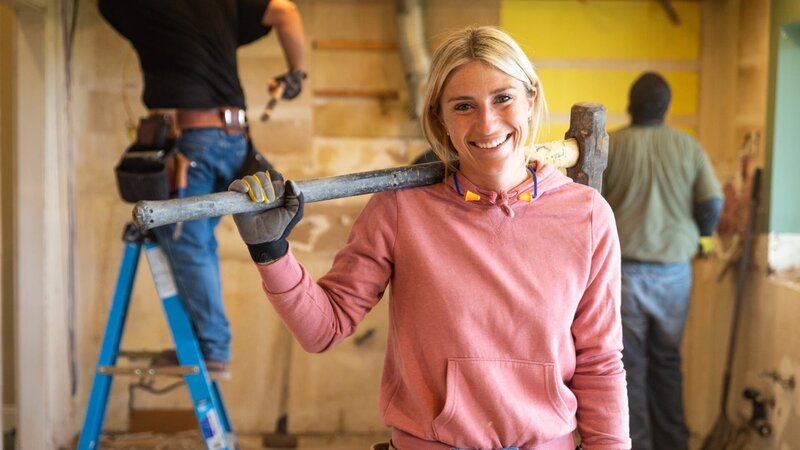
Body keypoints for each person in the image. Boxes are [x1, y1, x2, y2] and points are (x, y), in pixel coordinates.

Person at [230, 26, 630, 449]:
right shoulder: (402, 209)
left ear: (531, 98)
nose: (487, 122)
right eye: (463, 106)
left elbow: (599, 363)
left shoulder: (586, 215)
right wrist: (271, 252)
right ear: (439, 116)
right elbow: (323, 328)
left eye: (503, 97)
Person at [99, 0, 307, 377]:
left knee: (186, 241)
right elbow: (285, 12)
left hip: (193, 141)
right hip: (234, 140)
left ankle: (211, 347)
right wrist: (296, 74)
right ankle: (202, 341)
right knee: (196, 240)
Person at [602, 72, 723, 450]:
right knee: (667, 361)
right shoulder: (688, 147)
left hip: (624, 275)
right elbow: (711, 203)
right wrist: (703, 238)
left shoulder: (612, 146)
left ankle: (636, 445)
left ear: (629, 105)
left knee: (628, 368)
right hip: (674, 274)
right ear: (667, 108)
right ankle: (674, 444)